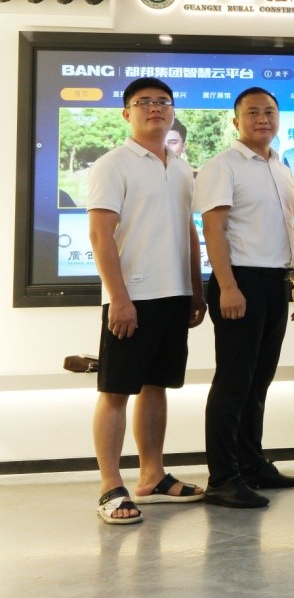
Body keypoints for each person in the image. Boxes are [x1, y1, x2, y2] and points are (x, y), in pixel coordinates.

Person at [86, 77, 206, 525]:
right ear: (127, 114)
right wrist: (119, 299)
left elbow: (189, 231)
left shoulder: (181, 167)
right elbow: (100, 235)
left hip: (175, 295)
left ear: (173, 111)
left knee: (157, 387)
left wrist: (196, 289)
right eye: (144, 102)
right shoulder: (112, 165)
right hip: (131, 297)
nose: (155, 108)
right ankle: (110, 485)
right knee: (116, 391)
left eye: (163, 102)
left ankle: (152, 475)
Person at [195, 87, 294, 508]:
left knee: (258, 381)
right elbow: (214, 230)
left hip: (276, 283)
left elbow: (290, 227)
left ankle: (251, 464)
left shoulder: (281, 167)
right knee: (233, 383)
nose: (263, 119)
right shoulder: (222, 166)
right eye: (253, 113)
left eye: (270, 112)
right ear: (236, 121)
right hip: (239, 281)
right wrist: (228, 287)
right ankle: (223, 478)